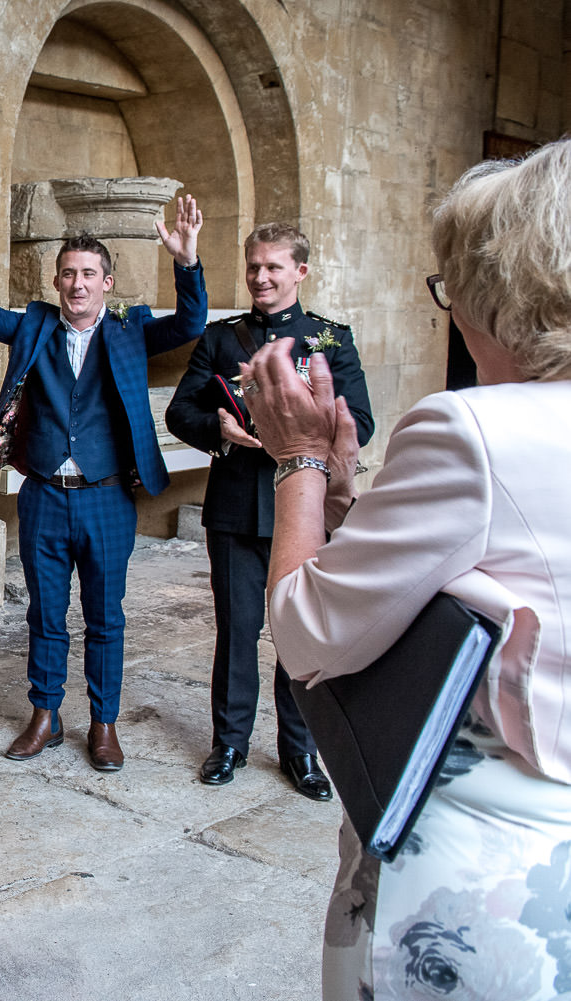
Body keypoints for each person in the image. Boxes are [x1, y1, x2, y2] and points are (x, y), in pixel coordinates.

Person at [244, 139, 571, 999]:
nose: (449, 310)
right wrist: (352, 497)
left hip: (498, 862)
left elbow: (309, 629)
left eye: (450, 286)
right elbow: (427, 574)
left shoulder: (474, 429)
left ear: (503, 294)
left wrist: (302, 462)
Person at [0, 199, 206, 769]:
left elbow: (190, 324)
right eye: (68, 274)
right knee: (45, 614)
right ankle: (45, 716)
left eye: (88, 275)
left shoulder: (130, 330)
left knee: (106, 618)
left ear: (107, 283)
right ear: (56, 281)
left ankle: (103, 724)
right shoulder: (35, 325)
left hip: (107, 499)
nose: (77, 284)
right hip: (45, 497)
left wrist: (187, 262)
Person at [165, 223, 374, 799]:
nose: (260, 277)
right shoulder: (221, 338)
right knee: (236, 631)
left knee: (298, 635)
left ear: (300, 272)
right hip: (235, 505)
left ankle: (300, 751)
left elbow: (363, 420)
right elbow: (181, 413)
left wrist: (310, 428)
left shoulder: (330, 338)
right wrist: (222, 430)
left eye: (273, 267)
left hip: (303, 511)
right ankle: (228, 743)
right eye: (254, 266)